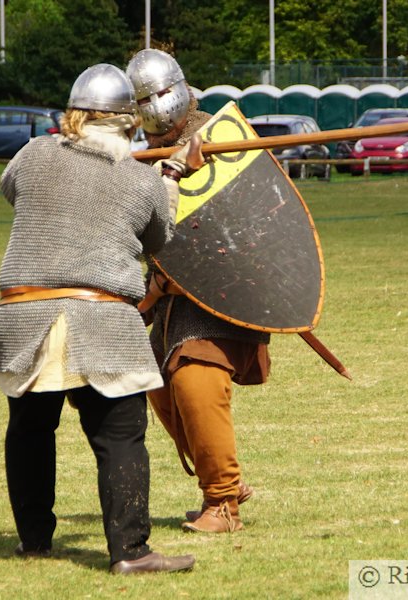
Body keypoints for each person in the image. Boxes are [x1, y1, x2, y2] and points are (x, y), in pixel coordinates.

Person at [0, 63, 202, 574]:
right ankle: (130, 552)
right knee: (121, 436)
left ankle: (35, 541)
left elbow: (12, 190)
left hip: (23, 314)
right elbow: (159, 239)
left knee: (31, 429)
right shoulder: (138, 179)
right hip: (101, 321)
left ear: (73, 114)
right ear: (129, 122)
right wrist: (170, 173)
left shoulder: (34, 153)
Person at [126, 49, 270, 534]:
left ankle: (223, 500)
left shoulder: (221, 138)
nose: (158, 107)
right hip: (167, 296)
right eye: (145, 99)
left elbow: (258, 212)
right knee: (162, 389)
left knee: (194, 377)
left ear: (183, 89)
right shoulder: (135, 155)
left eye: (163, 93)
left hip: (218, 289)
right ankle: (224, 478)